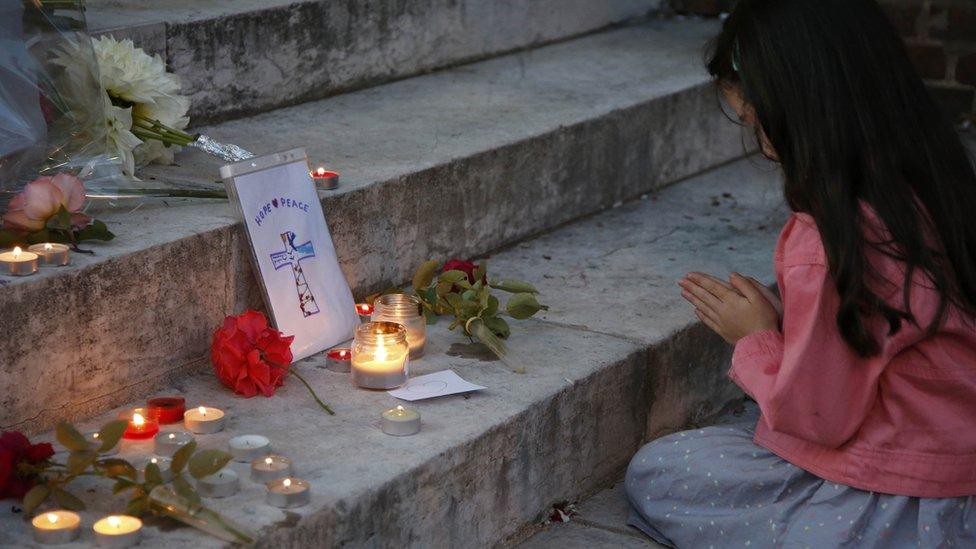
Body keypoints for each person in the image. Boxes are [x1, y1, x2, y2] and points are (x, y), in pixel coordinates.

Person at [625, 0, 976, 546]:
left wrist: (759, 339)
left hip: (902, 499)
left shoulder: (832, 243)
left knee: (664, 470)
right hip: (960, 471)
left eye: (754, 121)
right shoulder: (932, 190)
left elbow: (819, 418)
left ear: (795, 110)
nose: (762, 143)